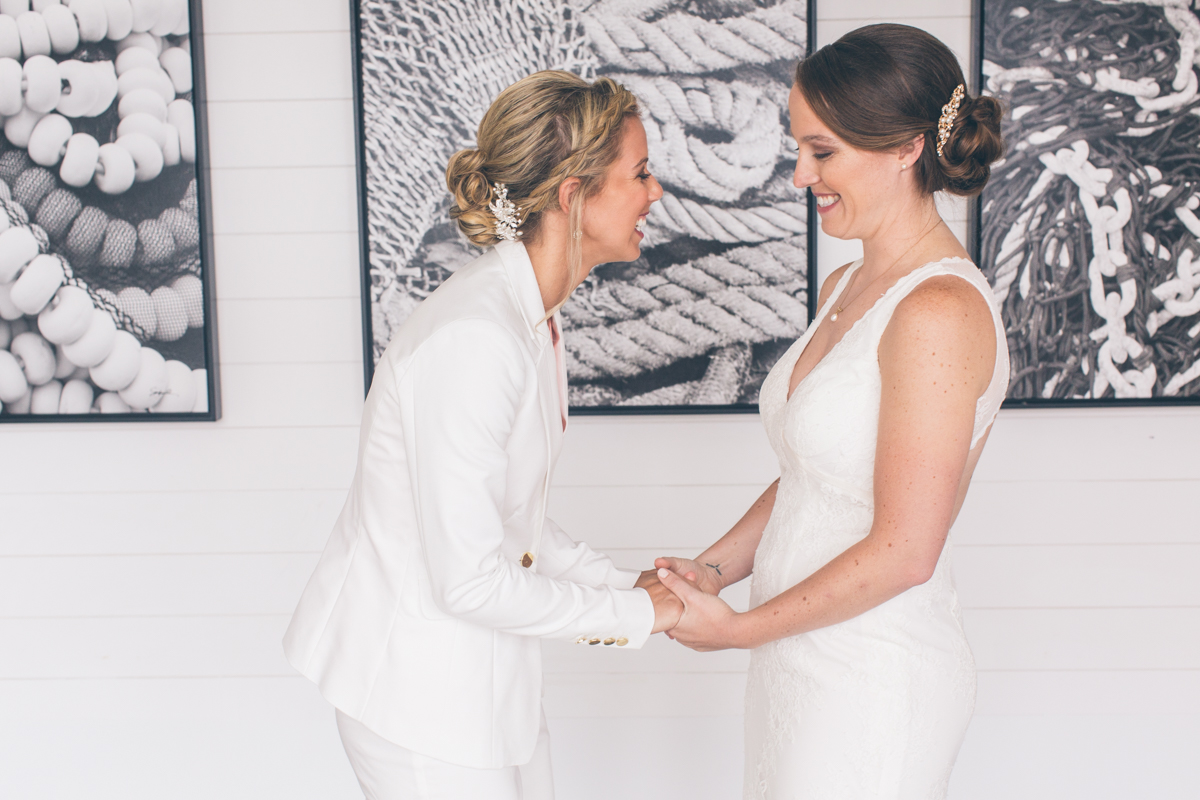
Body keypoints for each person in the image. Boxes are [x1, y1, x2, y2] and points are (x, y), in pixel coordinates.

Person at [283, 70, 673, 800]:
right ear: (572, 195)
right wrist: (639, 614)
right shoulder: (476, 339)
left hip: (486, 684)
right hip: (416, 694)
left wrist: (625, 585)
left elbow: (507, 516)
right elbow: (468, 580)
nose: (655, 192)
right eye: (640, 172)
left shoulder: (532, 319)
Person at [651, 24, 1009, 799]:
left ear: (906, 148)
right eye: (799, 150)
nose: (797, 176)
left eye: (823, 153)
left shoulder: (938, 311)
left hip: (872, 673)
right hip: (799, 662)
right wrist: (712, 572)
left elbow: (908, 550)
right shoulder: (842, 289)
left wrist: (739, 628)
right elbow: (813, 475)